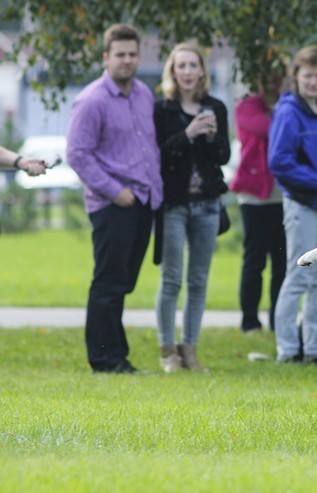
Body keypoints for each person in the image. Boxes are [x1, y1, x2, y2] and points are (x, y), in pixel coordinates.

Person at [66, 24, 163, 374]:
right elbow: (77, 154)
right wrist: (114, 190)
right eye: (120, 55)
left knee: (123, 282)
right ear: (106, 57)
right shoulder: (91, 100)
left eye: (132, 55)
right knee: (108, 283)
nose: (127, 60)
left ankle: (116, 355)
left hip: (143, 202)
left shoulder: (143, 94)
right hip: (112, 204)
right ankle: (105, 361)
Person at [152, 43, 230, 372]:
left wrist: (211, 138)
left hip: (208, 204)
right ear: (172, 71)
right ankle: (167, 352)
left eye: (192, 66)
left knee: (198, 281)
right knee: (171, 280)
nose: (186, 72)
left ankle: (190, 350)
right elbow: (158, 154)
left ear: (202, 71)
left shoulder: (215, 107)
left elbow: (224, 156)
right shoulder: (162, 109)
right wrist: (187, 133)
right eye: (180, 66)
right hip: (174, 204)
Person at [268, 45, 317, 363]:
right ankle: (287, 349)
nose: (313, 82)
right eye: (307, 75)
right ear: (296, 77)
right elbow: (279, 161)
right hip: (304, 206)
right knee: (298, 277)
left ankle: (314, 349)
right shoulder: (289, 112)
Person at [231, 69, 288, 335]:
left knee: (281, 262)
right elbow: (271, 129)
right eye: (267, 73)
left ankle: (278, 320)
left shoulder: (288, 103)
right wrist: (288, 118)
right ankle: (250, 321)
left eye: (278, 73)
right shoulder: (247, 106)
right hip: (255, 195)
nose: (272, 79)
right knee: (255, 260)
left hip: (284, 195)